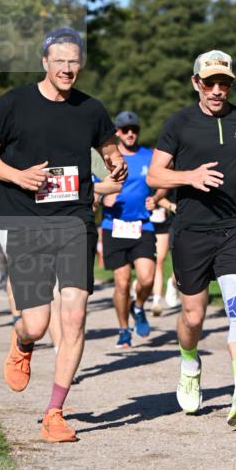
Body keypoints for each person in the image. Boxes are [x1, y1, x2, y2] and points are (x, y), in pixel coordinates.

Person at [0, 27, 126, 443]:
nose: (67, 68)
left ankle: (54, 411)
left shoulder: (91, 109)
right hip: (25, 220)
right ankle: (21, 342)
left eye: (74, 61)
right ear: (45, 63)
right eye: (59, 61)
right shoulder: (14, 103)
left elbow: (110, 151)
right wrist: (18, 176)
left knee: (74, 316)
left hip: (75, 219)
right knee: (38, 323)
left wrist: (115, 165)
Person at [147, 49, 236, 429]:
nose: (218, 90)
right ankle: (190, 365)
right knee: (193, 315)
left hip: (235, 228)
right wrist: (189, 177)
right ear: (196, 84)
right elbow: (156, 175)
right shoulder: (179, 124)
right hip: (191, 231)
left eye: (225, 83)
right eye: (210, 83)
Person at [98, 110, 157, 348]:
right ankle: (123, 330)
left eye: (134, 130)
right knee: (122, 283)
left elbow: (163, 179)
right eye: (125, 130)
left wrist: (158, 197)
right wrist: (103, 199)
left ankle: (139, 306)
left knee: (147, 278)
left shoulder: (149, 156)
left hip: (143, 224)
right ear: (117, 133)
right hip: (115, 226)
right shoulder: (106, 159)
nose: (130, 133)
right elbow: (93, 188)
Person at [150, 189, 177, 315]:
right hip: (144, 223)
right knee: (150, 264)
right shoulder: (143, 175)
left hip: (164, 225)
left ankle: (171, 283)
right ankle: (154, 298)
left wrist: (170, 206)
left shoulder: (170, 176)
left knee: (159, 261)